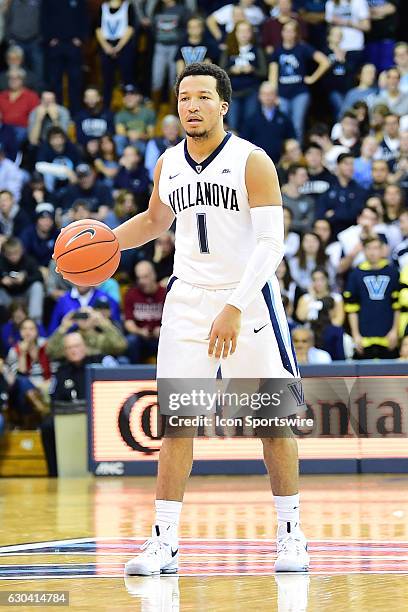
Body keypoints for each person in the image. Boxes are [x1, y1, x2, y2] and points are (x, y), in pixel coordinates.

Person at [113, 62, 309, 575]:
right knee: (178, 424)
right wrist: (106, 242)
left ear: (223, 105)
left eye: (202, 97)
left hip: (248, 301)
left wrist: (235, 306)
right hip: (188, 302)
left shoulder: (253, 161)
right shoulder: (168, 163)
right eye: (183, 98)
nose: (191, 106)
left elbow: (272, 244)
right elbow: (155, 222)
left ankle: (291, 535)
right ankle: (164, 542)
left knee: (273, 423)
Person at [40, 332, 111, 476]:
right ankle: (54, 474)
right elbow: (55, 400)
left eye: (77, 346)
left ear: (84, 347)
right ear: (65, 351)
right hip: (70, 416)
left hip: (98, 414)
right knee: (47, 426)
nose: (74, 350)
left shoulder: (100, 362)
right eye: (69, 347)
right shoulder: (61, 371)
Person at [268, 19, 330, 142]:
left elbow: (325, 62)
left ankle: (297, 154)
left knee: (297, 124)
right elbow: (273, 75)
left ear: (296, 33)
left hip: (299, 92)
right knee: (283, 124)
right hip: (282, 93)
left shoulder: (303, 48)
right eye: (286, 30)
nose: (288, 33)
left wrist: (312, 78)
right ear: (282, 32)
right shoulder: (277, 50)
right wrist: (273, 95)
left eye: (291, 31)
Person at [344, 235, 400, 359]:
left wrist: (395, 331)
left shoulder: (392, 272)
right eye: (369, 248)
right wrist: (356, 334)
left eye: (376, 248)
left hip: (387, 337)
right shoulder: (356, 274)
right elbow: (352, 308)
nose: (372, 252)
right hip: (364, 338)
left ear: (382, 250)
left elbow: (397, 305)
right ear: (364, 250)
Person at [41, 0, 89, 114]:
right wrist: (49, 38)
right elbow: (44, 18)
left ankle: (75, 113)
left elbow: (84, 17)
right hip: (55, 45)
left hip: (73, 45)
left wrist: (81, 38)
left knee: (76, 81)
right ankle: (56, 112)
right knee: (54, 81)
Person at [219, 20, 267, 132]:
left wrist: (252, 70)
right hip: (232, 93)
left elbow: (264, 72)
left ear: (251, 34)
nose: (244, 34)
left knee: (249, 124)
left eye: (247, 31)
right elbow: (221, 72)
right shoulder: (229, 50)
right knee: (233, 125)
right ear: (235, 33)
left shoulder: (257, 50)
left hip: (252, 92)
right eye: (241, 31)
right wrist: (232, 70)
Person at [6, 317, 50, 428]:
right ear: (20, 332)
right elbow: (19, 377)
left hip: (44, 385)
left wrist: (44, 385)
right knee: (22, 382)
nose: (27, 332)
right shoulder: (14, 351)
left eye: (31, 328)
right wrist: (22, 354)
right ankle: (41, 409)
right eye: (24, 329)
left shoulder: (45, 346)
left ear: (36, 331)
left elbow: (53, 371)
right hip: (24, 390)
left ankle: (38, 413)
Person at [46, 304, 127, 361]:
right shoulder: (72, 339)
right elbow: (51, 352)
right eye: (81, 315)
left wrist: (104, 323)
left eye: (87, 315)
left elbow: (121, 346)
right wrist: (63, 328)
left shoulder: (101, 337)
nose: (84, 319)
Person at [96, 0, 137, 108]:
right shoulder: (103, 7)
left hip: (124, 47)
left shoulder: (128, 6)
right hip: (106, 46)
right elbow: (98, 28)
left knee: (127, 78)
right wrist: (106, 46)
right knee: (107, 79)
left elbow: (130, 28)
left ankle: (130, 107)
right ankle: (106, 107)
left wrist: (119, 47)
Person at [315, 152, 367, 237]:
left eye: (352, 164)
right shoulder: (328, 187)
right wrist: (344, 211)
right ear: (338, 166)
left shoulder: (359, 190)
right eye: (346, 164)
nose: (350, 167)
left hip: (352, 234)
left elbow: (354, 214)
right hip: (330, 233)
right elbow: (321, 213)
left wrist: (334, 213)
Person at [124, 260, 166, 363]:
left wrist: (163, 330)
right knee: (131, 340)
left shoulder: (165, 294)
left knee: (170, 340)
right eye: (139, 278)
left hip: (160, 336)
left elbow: (174, 320)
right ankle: (133, 373)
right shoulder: (131, 294)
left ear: (153, 275)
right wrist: (140, 331)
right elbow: (128, 322)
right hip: (140, 337)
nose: (142, 281)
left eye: (145, 277)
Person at [244, 81, 295, 163]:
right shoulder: (250, 119)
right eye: (264, 94)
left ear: (276, 96)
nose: (267, 97)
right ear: (259, 96)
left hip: (280, 164)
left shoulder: (284, 118)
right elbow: (244, 142)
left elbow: (292, 139)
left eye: (270, 94)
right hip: (256, 164)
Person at [0, 237, 44, 322]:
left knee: (37, 286)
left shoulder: (29, 260)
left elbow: (40, 277)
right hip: (8, 297)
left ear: (21, 251)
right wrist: (2, 281)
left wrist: (25, 279)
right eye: (10, 254)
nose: (13, 257)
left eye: (16, 253)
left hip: (25, 295)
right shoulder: (1, 262)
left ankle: (34, 322)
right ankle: (5, 324)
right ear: (4, 254)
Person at [48, 284, 120, 334]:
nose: (82, 281)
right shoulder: (64, 300)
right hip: (70, 345)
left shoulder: (105, 298)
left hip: (99, 345)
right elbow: (53, 329)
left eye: (85, 276)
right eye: (79, 276)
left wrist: (102, 320)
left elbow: (117, 326)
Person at [324, 0, 370, 71]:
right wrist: (334, 46)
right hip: (336, 48)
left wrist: (346, 22)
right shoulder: (330, 3)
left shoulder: (359, 2)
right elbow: (329, 27)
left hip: (354, 46)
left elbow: (367, 26)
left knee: (351, 76)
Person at [114, 84, 156, 156]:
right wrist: (130, 134)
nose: (128, 97)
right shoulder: (120, 114)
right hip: (127, 142)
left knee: (151, 144)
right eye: (125, 95)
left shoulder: (148, 113)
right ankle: (122, 162)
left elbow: (151, 134)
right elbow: (120, 132)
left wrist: (139, 135)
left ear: (139, 97)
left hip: (142, 143)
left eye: (132, 94)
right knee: (118, 139)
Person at [0, 67, 39, 144]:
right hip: (3, 128)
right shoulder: (2, 96)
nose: (13, 80)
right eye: (11, 78)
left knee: (16, 136)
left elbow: (34, 117)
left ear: (23, 80)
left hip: (22, 128)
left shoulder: (31, 96)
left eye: (17, 78)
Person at [144, 115, 182, 181]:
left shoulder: (184, 143)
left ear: (178, 130)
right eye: (167, 128)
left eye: (174, 128)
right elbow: (150, 166)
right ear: (163, 130)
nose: (171, 131)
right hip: (160, 180)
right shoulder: (154, 143)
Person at [365, 0, 398, 73]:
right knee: (371, 68)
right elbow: (361, 13)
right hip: (369, 38)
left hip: (387, 36)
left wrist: (370, 12)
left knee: (387, 69)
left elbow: (391, 8)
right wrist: (379, 13)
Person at [281, 164, 314, 233]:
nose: (307, 178)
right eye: (303, 175)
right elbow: (277, 222)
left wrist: (287, 222)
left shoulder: (308, 201)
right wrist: (301, 223)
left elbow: (308, 224)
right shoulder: (279, 199)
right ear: (291, 177)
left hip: (300, 237)